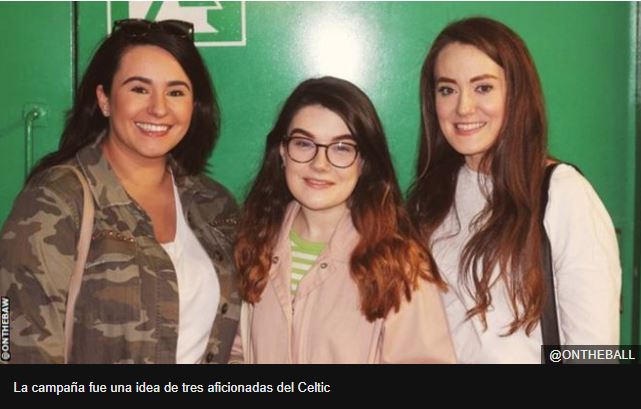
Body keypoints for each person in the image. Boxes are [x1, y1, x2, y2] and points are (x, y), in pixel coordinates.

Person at [0, 19, 240, 363]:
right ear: (104, 99)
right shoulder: (55, 202)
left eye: (175, 92)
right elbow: (18, 353)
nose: (158, 108)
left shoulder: (214, 206)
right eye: (139, 89)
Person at [407, 17, 621, 363]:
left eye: (483, 87)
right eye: (447, 89)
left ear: (516, 94)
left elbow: (596, 353)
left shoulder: (562, 193)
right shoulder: (428, 201)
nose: (463, 107)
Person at [230, 76, 455, 364]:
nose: (319, 164)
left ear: (364, 163)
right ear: (283, 152)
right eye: (304, 143)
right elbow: (237, 351)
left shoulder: (398, 263)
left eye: (341, 148)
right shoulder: (254, 243)